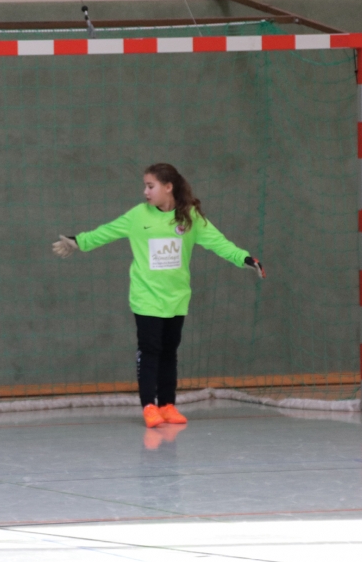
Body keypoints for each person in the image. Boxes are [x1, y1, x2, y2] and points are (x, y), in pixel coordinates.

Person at [52, 163, 264, 429]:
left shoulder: (190, 217)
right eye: (145, 186)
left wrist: (245, 258)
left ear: (168, 187)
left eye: (150, 186)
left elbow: (219, 242)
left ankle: (167, 405)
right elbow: (106, 231)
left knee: (169, 352)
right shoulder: (138, 215)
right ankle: (149, 407)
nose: (146, 191)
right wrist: (78, 241)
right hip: (146, 298)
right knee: (150, 350)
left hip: (177, 299)